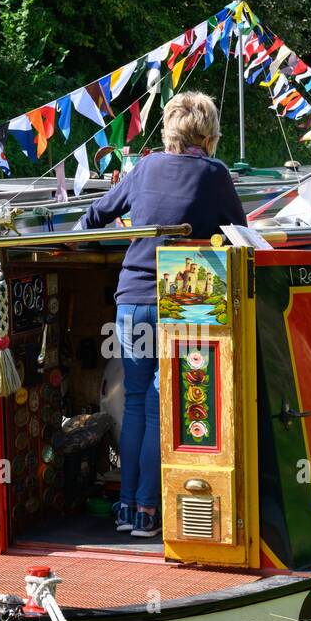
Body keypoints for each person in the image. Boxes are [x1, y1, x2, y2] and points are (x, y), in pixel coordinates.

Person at [77, 92, 247, 538]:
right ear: (208, 134)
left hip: (130, 298)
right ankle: (150, 513)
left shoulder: (146, 166)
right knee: (158, 406)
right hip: (181, 300)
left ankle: (127, 509)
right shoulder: (215, 174)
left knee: (134, 402)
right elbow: (240, 234)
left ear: (170, 128)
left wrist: (77, 237)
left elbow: (96, 214)